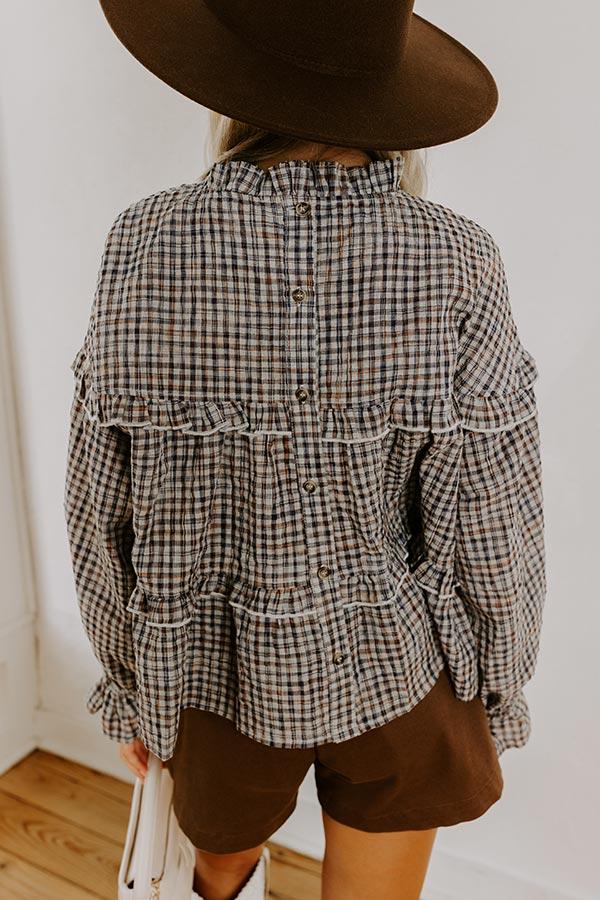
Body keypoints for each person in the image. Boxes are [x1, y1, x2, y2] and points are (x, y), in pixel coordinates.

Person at [63, 2, 546, 898]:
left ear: (232, 87)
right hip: (403, 669)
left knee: (214, 876)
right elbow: (491, 513)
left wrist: (128, 683)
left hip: (207, 671)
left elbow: (101, 503)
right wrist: (499, 683)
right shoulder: (455, 256)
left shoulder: (143, 241)